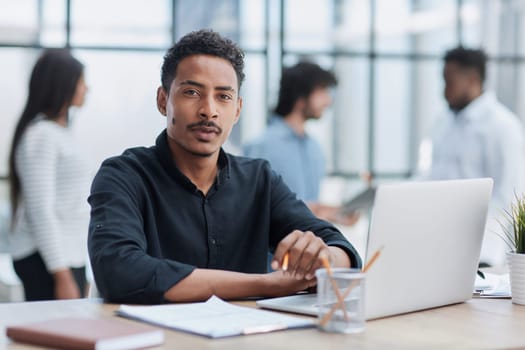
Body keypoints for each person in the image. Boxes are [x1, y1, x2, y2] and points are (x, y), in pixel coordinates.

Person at [87, 29, 362, 304]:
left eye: (224, 96)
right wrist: (267, 284)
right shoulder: (123, 176)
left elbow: (343, 252)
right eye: (192, 92)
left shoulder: (259, 179)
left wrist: (323, 256)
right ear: (163, 100)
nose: (209, 110)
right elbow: (119, 271)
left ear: (238, 110)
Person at [420, 46, 525, 267]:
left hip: (483, 253)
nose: (444, 90)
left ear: (472, 79)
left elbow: (510, 195)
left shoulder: (503, 127)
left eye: (450, 82)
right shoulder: (442, 123)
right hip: (437, 245)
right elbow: (426, 176)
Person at [8, 49, 90, 301]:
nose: (87, 88)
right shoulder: (41, 135)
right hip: (46, 260)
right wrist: (62, 275)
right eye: (81, 81)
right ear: (63, 85)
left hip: (64, 255)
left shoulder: (59, 132)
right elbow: (40, 210)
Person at [243, 62, 359, 225]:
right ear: (301, 97)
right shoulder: (262, 146)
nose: (328, 101)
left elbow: (307, 205)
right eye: (322, 91)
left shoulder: (314, 148)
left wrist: (334, 213)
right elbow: (252, 208)